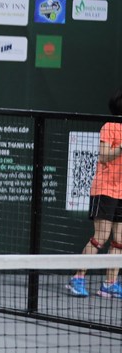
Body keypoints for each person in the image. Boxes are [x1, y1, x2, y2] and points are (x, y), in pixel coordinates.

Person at [68, 87, 122, 299]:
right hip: (105, 188)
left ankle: (110, 284)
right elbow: (104, 155)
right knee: (101, 236)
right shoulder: (110, 126)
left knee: (119, 239)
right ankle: (77, 278)